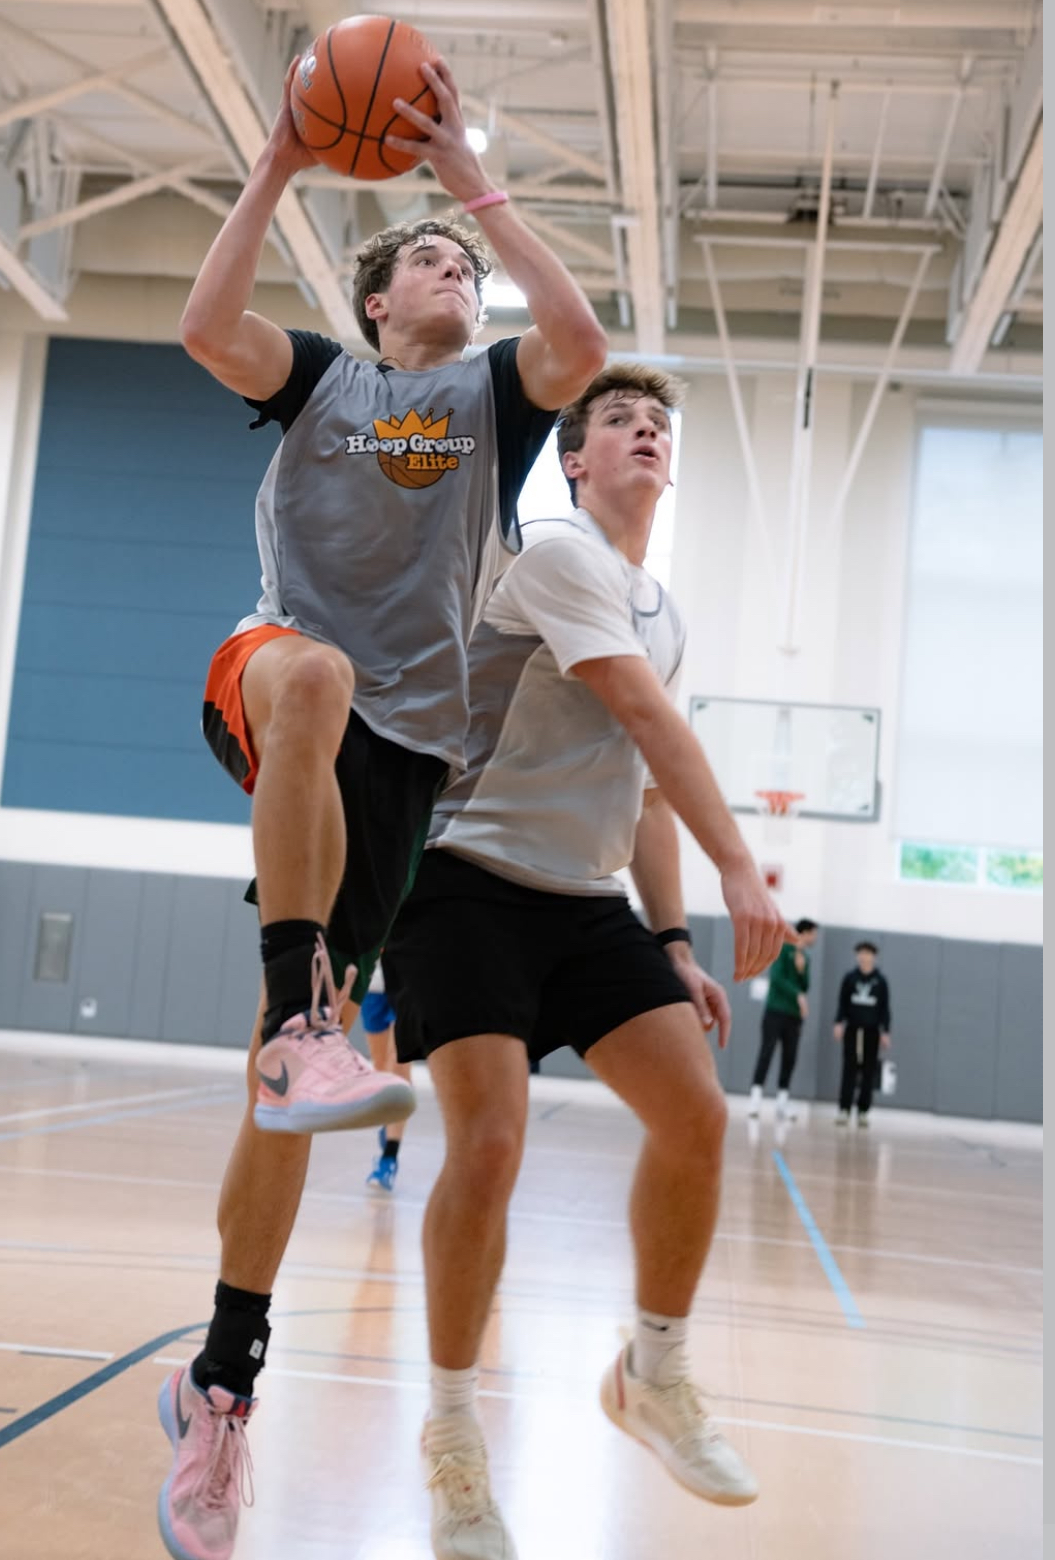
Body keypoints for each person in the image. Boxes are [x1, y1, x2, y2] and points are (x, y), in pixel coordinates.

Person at [157, 53, 606, 1560]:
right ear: (372, 300)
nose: (456, 270)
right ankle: (306, 1010)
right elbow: (203, 327)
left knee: (280, 1099)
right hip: (276, 673)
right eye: (430, 257)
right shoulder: (319, 379)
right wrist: (279, 163)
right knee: (318, 670)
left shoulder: (493, 397)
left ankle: (221, 1381)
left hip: (405, 758)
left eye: (466, 264)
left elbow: (582, 339)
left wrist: (473, 179)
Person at [381, 364, 794, 1557]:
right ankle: (454, 1435)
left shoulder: (663, 608)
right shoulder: (556, 553)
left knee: (695, 1113)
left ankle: (651, 1372)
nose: (646, 430)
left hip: (582, 896)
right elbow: (651, 720)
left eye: (658, 421)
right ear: (575, 460)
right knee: (490, 1140)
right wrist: (742, 865)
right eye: (619, 419)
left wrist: (673, 940)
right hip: (463, 880)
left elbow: (647, 786)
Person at [747, 917, 818, 1121]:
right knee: (766, 1052)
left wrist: (802, 971)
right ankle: (755, 1100)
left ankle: (782, 1102)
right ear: (804, 933)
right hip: (775, 1011)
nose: (815, 938)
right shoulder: (783, 949)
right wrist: (797, 995)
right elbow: (777, 978)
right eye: (813, 934)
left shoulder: (805, 957)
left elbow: (805, 986)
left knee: (790, 1057)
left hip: (794, 1016)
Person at [360, 958, 411, 1192]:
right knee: (381, 1067)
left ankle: (389, 1156)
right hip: (373, 983)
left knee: (397, 1064)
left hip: (407, 980)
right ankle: (389, 1122)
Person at [834, 940, 891, 1127]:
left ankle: (863, 1111)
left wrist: (885, 1031)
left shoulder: (880, 981)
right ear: (857, 956)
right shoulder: (850, 978)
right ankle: (844, 1109)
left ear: (874, 957)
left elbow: (884, 1008)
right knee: (849, 1069)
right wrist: (838, 1022)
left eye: (868, 953)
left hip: (872, 1031)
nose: (864, 957)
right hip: (852, 1029)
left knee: (868, 1071)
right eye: (861, 953)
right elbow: (842, 1003)